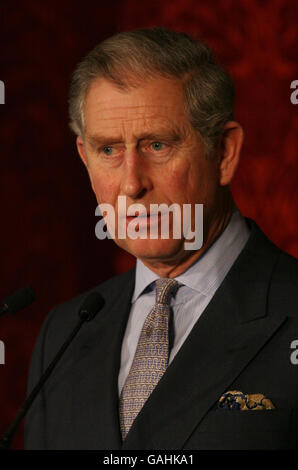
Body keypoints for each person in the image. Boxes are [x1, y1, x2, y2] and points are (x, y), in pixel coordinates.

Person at [25, 27, 298, 450]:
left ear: (224, 153)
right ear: (84, 158)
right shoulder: (63, 334)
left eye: (157, 145)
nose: (131, 184)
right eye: (109, 150)